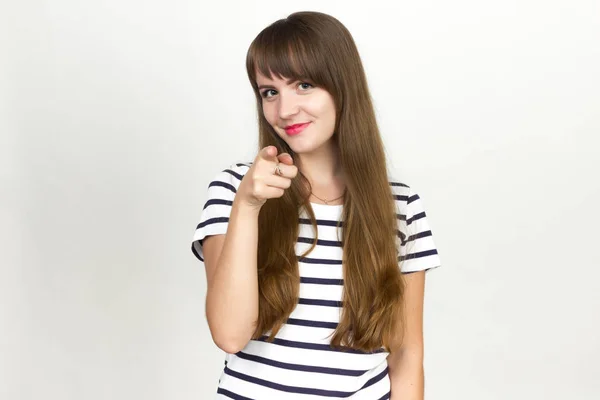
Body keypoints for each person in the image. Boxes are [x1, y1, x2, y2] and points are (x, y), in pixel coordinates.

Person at [191, 11, 441, 399]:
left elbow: (406, 351)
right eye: (269, 92)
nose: (284, 110)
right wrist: (248, 205)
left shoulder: (401, 206)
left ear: (342, 87)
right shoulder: (233, 191)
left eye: (303, 85)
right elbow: (229, 333)